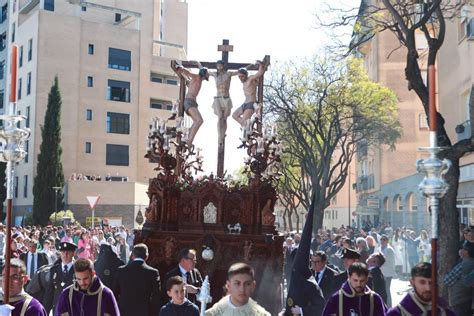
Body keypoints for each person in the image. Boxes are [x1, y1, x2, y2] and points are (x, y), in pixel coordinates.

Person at [55, 258, 119, 315]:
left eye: (85, 278)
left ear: (93, 274)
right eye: (79, 279)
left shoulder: (106, 294)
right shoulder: (66, 294)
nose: (82, 283)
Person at [387, 262, 456, 315]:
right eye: (422, 282)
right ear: (412, 282)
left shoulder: (445, 312)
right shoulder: (396, 313)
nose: (428, 288)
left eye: (431, 283)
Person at [113, 243, 162, 316]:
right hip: (145, 312)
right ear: (147, 256)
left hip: (124, 311)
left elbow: (115, 292)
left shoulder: (121, 270)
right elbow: (156, 296)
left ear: (132, 256)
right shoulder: (153, 272)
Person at [322, 262, 387, 316]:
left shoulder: (375, 299)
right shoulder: (336, 299)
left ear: (367, 279)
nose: (359, 284)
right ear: (349, 277)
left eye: (362, 281)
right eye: (355, 280)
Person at [205, 262, 270, 315]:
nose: (242, 289)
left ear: (253, 286)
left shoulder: (261, 314)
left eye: (247, 284)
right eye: (237, 283)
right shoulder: (214, 313)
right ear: (228, 285)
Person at [172, 60, 209, 146]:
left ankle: (188, 135)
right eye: (207, 73)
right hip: (189, 102)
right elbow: (188, 73)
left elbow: (201, 68)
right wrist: (181, 68)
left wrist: (198, 64)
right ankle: (189, 140)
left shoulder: (198, 80)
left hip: (192, 103)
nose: (209, 74)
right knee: (199, 120)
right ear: (204, 74)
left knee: (197, 121)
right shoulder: (197, 78)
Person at [209, 60, 238, 145]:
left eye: (221, 65)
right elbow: (205, 70)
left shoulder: (228, 74)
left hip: (226, 98)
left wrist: (250, 66)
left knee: (225, 118)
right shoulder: (215, 74)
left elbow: (239, 71)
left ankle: (223, 134)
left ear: (223, 66)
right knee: (220, 117)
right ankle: (220, 137)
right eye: (218, 66)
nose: (219, 67)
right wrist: (198, 64)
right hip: (218, 98)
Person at [43, 241, 77, 314]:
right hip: (58, 309)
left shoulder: (78, 269)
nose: (65, 254)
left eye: (68, 252)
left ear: (73, 253)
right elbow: (49, 292)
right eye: (63, 251)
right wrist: (46, 311)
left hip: (73, 309)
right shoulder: (54, 269)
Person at [232, 60, 267, 126]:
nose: (240, 78)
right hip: (245, 103)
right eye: (239, 77)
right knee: (234, 115)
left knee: (244, 121)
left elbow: (260, 73)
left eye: (242, 76)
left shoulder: (250, 79)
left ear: (246, 75)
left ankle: (247, 127)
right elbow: (243, 69)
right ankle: (247, 126)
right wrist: (249, 66)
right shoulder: (244, 83)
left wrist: (260, 65)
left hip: (251, 103)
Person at [443, 241, 474, 316]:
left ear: (466, 251)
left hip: (459, 299)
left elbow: (447, 281)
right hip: (468, 298)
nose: (461, 250)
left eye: (463, 248)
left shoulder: (463, 265)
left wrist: (446, 273)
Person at [378, 234, 396, 307]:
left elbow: (386, 260)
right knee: (382, 290)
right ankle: (383, 304)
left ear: (387, 241)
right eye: (381, 239)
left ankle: (389, 306)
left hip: (388, 273)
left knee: (387, 290)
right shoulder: (379, 248)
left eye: (384, 240)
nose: (382, 241)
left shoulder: (389, 249)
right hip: (381, 272)